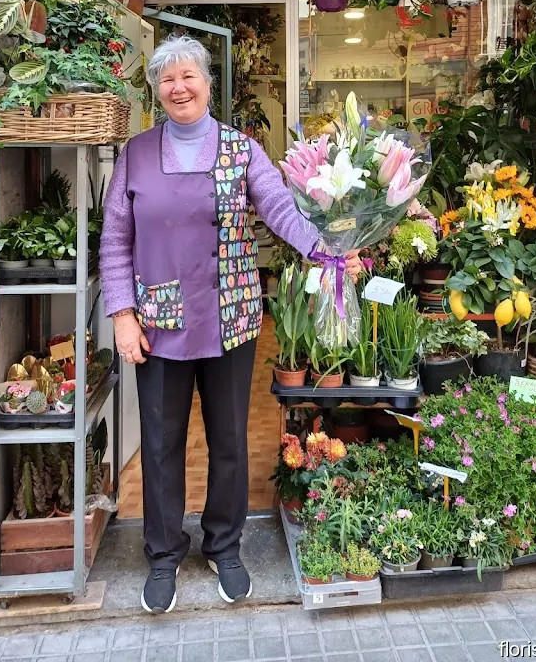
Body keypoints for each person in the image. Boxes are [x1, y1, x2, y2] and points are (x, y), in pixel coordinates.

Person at [100, 34, 362, 614]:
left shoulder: (241, 150)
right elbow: (115, 240)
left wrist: (329, 251)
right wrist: (122, 315)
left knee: (229, 442)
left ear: (209, 84)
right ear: (157, 90)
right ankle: (164, 553)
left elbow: (279, 208)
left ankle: (224, 544)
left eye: (189, 76)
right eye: (168, 80)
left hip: (230, 318)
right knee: (163, 444)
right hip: (159, 324)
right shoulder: (135, 154)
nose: (179, 87)